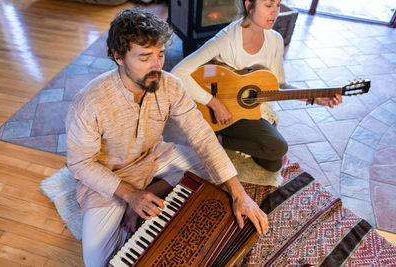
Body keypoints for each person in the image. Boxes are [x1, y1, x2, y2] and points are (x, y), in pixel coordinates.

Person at [65, 8, 268, 267]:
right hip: (111, 175)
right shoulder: (89, 102)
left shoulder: (170, 85)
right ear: (117, 56)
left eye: (160, 54)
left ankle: (154, 189)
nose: (156, 66)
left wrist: (239, 194)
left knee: (214, 166)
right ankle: (143, 195)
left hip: (153, 158)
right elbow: (80, 164)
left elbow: (202, 137)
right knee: (99, 262)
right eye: (144, 57)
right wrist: (130, 195)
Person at [172, 0, 342, 174]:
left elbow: (280, 86)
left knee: (273, 163)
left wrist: (315, 97)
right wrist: (214, 103)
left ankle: (221, 140)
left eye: (278, 5)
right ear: (249, 5)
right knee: (279, 146)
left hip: (254, 110)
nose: (275, 12)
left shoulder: (275, 40)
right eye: (268, 5)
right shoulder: (227, 39)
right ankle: (219, 136)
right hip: (224, 113)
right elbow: (178, 72)